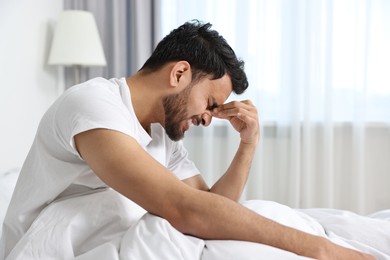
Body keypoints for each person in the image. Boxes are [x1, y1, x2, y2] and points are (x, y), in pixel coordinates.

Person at [1, 20, 373, 259]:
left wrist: (248, 145)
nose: (208, 119)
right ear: (179, 73)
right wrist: (323, 250)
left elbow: (211, 206)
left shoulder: (163, 135)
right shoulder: (92, 105)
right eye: (210, 103)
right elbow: (186, 211)